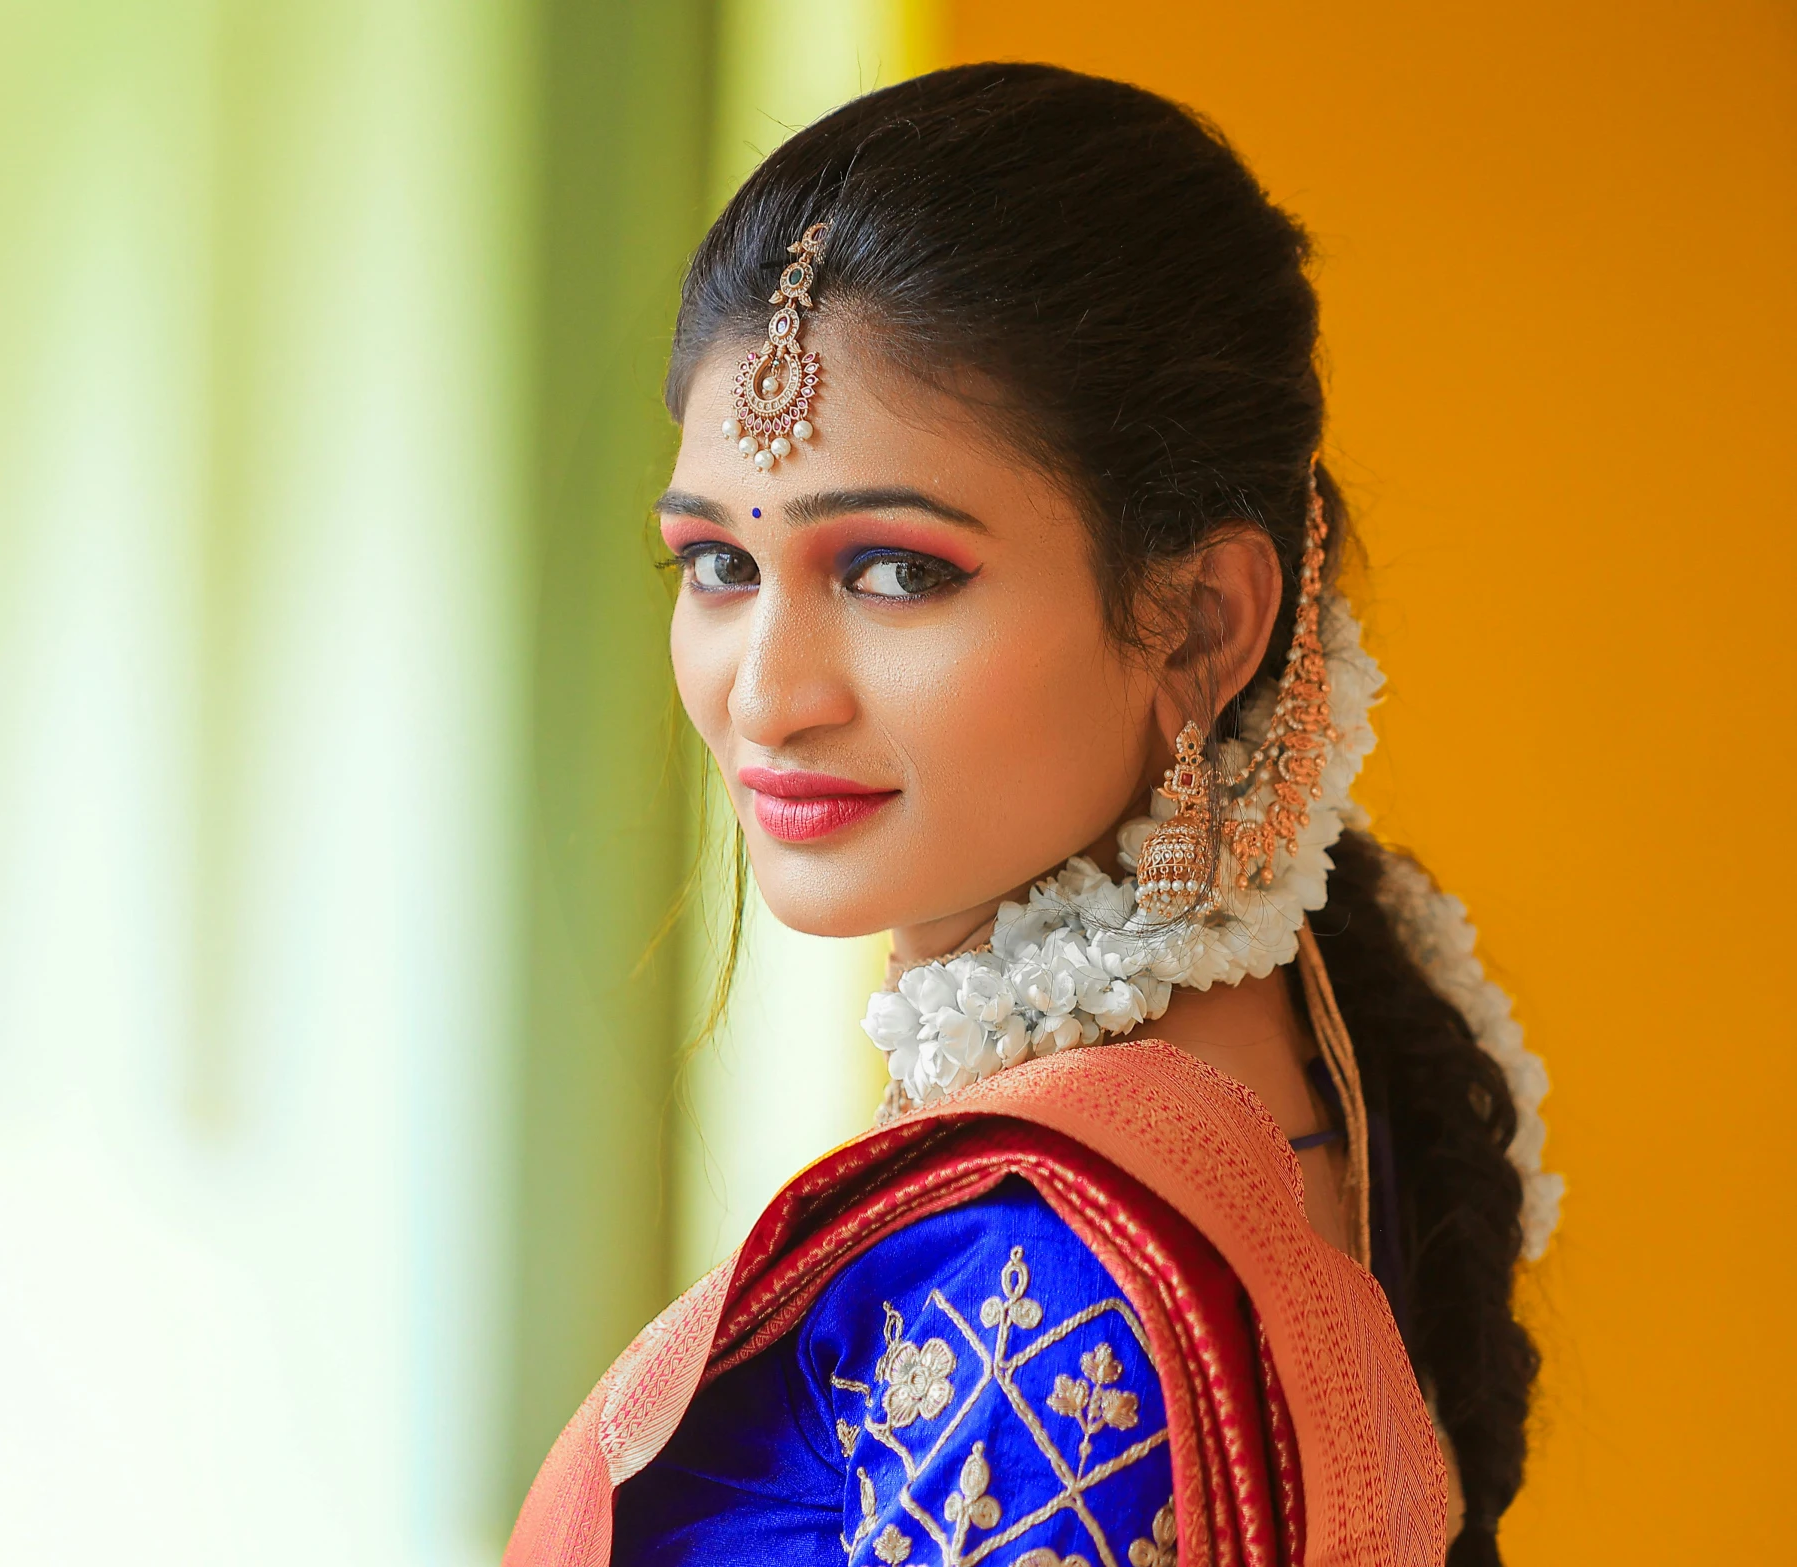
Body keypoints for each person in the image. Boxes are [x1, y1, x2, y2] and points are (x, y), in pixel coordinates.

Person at [506, 63, 1562, 1567]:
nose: (764, 693)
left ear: (1201, 623)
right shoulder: (1313, 1009)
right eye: (717, 566)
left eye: (893, 570)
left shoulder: (1042, 1275)